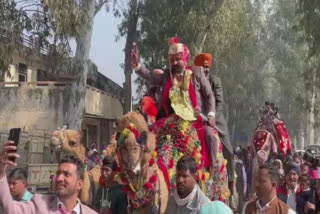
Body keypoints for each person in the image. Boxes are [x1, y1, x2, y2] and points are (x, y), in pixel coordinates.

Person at [132, 38, 218, 170]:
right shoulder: (167, 75)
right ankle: (141, 169)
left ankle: (212, 170)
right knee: (150, 135)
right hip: (171, 120)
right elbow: (150, 76)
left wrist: (211, 115)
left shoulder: (197, 72)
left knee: (209, 135)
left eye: (178, 59)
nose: (175, 63)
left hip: (195, 120)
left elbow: (209, 95)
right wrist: (137, 65)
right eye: (172, 60)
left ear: (185, 58)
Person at [0, 141, 97, 214]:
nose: (59, 178)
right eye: (58, 173)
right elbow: (12, 210)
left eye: (66, 174)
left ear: (79, 184)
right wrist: (1, 172)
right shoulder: (39, 203)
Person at [193, 53, 235, 194]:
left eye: (206, 67)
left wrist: (212, 116)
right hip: (197, 120)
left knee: (229, 151)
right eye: (202, 67)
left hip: (215, 120)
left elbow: (219, 102)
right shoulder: (192, 79)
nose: (205, 70)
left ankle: (231, 184)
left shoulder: (215, 80)